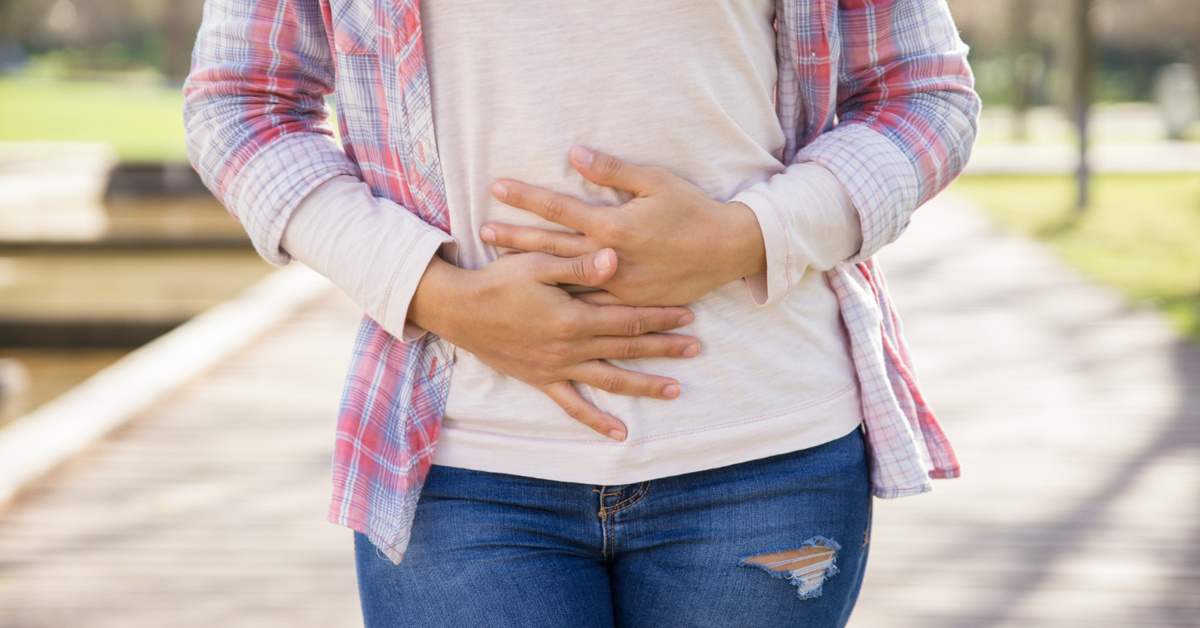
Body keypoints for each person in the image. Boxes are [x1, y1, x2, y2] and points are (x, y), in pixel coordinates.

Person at [184, 0, 978, 625]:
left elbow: (923, 95)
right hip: (462, 462)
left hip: (765, 457)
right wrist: (435, 293)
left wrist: (749, 236)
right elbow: (241, 106)